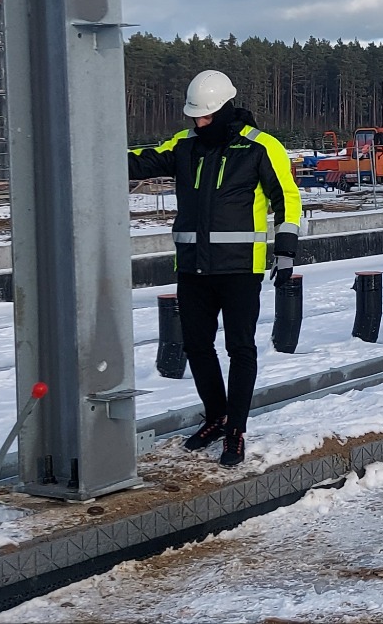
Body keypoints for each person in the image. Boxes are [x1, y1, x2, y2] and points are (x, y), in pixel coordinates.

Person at [129, 70, 302, 466]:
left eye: (205, 117)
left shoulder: (260, 146)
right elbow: (142, 162)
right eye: (195, 117)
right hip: (193, 267)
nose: (198, 123)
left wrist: (287, 248)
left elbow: (286, 199)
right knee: (196, 346)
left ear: (225, 109)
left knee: (239, 348)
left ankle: (236, 430)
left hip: (241, 268)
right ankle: (216, 416)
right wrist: (97, 150)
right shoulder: (185, 145)